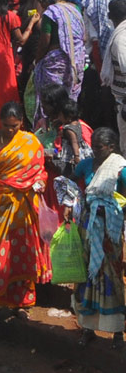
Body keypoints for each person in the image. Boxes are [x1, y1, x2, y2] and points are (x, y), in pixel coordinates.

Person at [0, 102, 51, 323]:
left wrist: (39, 182)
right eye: (7, 126)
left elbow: (39, 171)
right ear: (0, 122)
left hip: (24, 206)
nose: (10, 130)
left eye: (15, 126)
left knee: (24, 252)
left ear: (22, 124)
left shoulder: (30, 141)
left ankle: (22, 303)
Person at [66, 127, 126, 346]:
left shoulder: (120, 168)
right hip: (88, 227)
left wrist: (111, 210)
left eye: (98, 147)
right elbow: (70, 182)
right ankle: (88, 328)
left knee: (111, 276)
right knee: (87, 276)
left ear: (111, 147)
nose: (94, 150)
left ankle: (117, 331)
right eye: (93, 146)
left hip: (110, 231)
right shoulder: (86, 165)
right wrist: (71, 201)